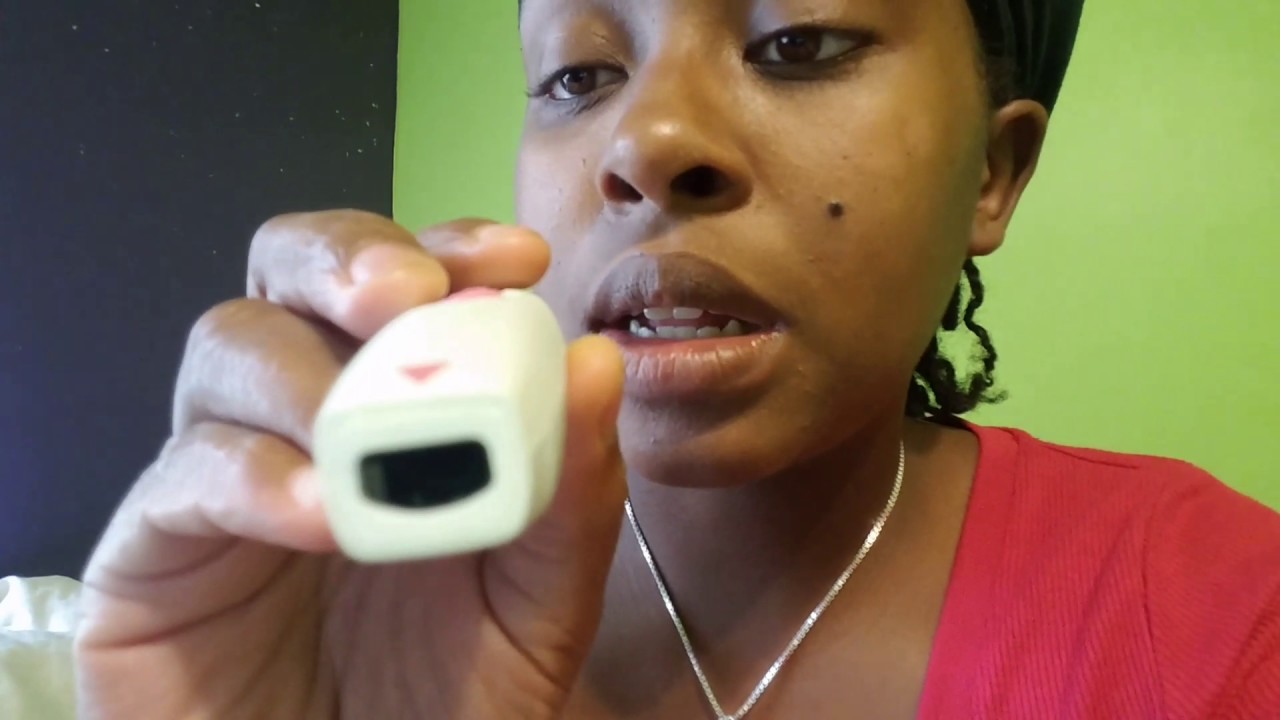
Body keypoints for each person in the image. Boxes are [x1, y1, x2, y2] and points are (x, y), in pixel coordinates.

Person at [72, 0, 1280, 718]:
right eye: (579, 74)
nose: (645, 141)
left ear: (992, 173)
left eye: (797, 41)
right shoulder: (351, 587)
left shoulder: (1218, 622)